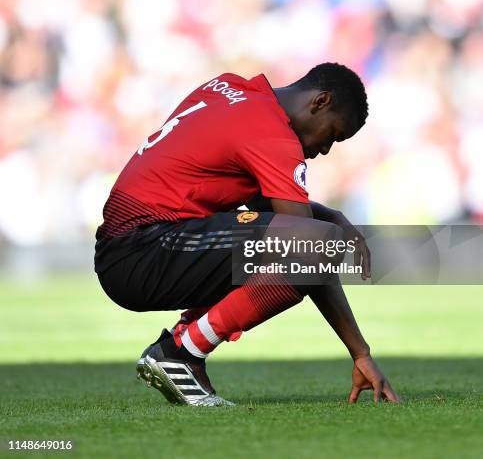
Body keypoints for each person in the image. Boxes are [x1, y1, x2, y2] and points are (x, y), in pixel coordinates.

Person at [95, 62, 400, 406]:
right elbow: (310, 247)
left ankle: (184, 342)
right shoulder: (273, 135)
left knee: (302, 236)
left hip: (131, 244)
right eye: (332, 134)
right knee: (316, 243)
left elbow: (260, 201)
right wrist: (360, 351)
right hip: (145, 247)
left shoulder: (229, 88)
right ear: (320, 102)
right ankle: (182, 353)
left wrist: (328, 214)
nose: (326, 149)